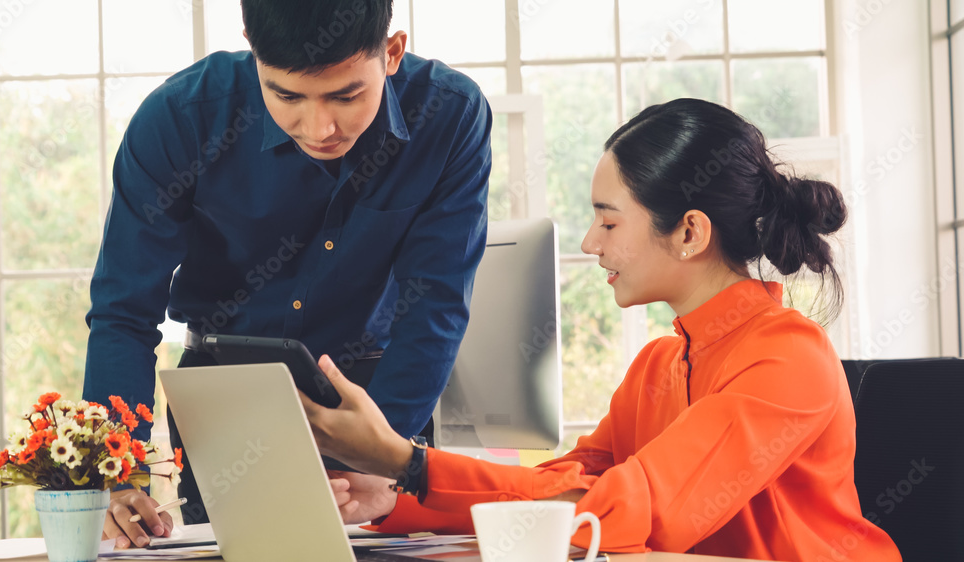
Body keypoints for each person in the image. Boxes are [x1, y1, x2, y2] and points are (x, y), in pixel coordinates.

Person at [300, 99, 903, 560]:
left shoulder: (787, 357)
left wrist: (409, 462)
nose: (590, 243)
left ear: (690, 233)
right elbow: (566, 488)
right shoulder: (657, 366)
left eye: (609, 224)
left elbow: (636, 510)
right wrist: (398, 493)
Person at [84, 0, 491, 549]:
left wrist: (383, 450)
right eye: (287, 96)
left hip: (380, 393)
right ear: (254, 52)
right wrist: (117, 474)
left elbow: (435, 305)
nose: (319, 126)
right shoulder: (180, 119)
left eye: (347, 96)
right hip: (229, 396)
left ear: (391, 53)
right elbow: (124, 311)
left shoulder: (450, 114)